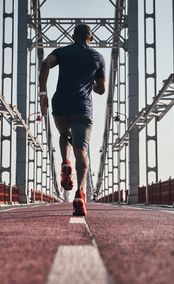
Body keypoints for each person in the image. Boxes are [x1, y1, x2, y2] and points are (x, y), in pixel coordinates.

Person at [38, 24, 106, 216]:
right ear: (90, 38)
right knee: (81, 152)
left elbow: (45, 64)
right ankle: (80, 194)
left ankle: (65, 162)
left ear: (73, 36)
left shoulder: (62, 52)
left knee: (64, 134)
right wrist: (90, 81)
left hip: (60, 106)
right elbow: (101, 90)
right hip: (82, 109)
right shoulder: (98, 58)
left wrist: (42, 91)